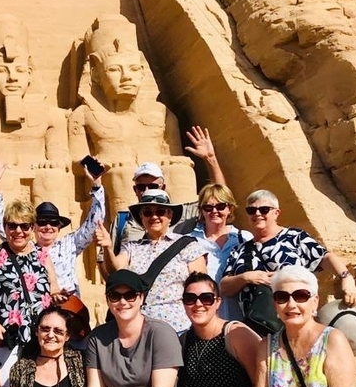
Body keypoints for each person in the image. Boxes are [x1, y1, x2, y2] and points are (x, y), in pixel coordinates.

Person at [0, 199, 60, 387]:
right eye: (12, 225)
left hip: (36, 343)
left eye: (24, 226)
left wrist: (59, 296)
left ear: (32, 228)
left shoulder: (42, 256)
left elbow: (52, 289)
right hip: (3, 341)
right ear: (5, 227)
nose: (18, 231)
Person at [220, 189, 356, 321]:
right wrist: (247, 277)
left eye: (264, 210)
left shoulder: (294, 238)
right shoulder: (240, 250)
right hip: (256, 327)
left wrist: (346, 278)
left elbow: (324, 257)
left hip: (295, 320)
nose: (257, 214)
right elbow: (224, 287)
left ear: (276, 213)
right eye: (251, 210)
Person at [0, 153, 106, 296]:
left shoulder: (70, 244)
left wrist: (97, 184)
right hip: (38, 311)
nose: (48, 226)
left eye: (53, 223)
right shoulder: (24, 247)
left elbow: (94, 222)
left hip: (69, 309)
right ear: (33, 226)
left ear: (59, 227)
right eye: (42, 222)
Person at [103, 189, 207, 333]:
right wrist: (107, 248)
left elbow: (201, 287)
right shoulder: (132, 247)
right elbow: (115, 270)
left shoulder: (188, 245)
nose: (154, 216)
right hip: (138, 328)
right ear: (141, 217)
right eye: (147, 212)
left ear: (170, 215)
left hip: (178, 327)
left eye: (160, 211)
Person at [115, 126, 227, 244]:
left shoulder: (183, 214)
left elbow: (220, 196)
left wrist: (210, 159)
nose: (147, 190)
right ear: (135, 190)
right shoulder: (123, 221)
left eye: (153, 186)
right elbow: (107, 258)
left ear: (163, 187)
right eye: (141, 187)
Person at [188, 184, 252, 320]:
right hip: (204, 319)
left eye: (221, 206)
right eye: (208, 207)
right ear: (201, 210)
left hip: (242, 319)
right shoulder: (189, 242)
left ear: (230, 208)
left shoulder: (244, 239)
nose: (214, 211)